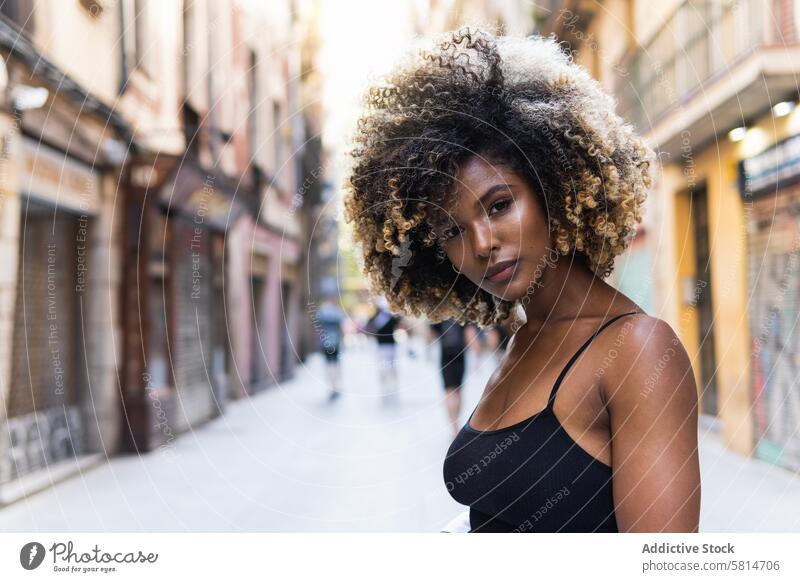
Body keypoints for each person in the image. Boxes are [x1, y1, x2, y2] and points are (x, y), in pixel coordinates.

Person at [343, 28, 700, 532]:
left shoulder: (638, 349)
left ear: (553, 185)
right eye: (452, 230)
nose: (482, 243)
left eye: (500, 205)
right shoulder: (521, 338)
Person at [430, 319, 468, 438]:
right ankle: (457, 422)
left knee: (449, 392)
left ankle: (454, 426)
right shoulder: (463, 313)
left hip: (445, 357)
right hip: (460, 356)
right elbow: (470, 334)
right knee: (458, 391)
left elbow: (431, 334)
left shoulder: (439, 315)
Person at [365, 297, 402, 401]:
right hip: (383, 346)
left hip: (388, 345)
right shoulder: (379, 316)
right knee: (386, 367)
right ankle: (387, 386)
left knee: (390, 366)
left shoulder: (389, 316)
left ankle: (391, 386)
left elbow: (399, 322)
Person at [317, 298, 345, 401]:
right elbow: (340, 328)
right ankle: (335, 387)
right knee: (335, 365)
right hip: (335, 342)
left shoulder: (322, 312)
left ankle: (332, 387)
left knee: (329, 365)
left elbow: (318, 328)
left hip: (325, 342)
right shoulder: (337, 313)